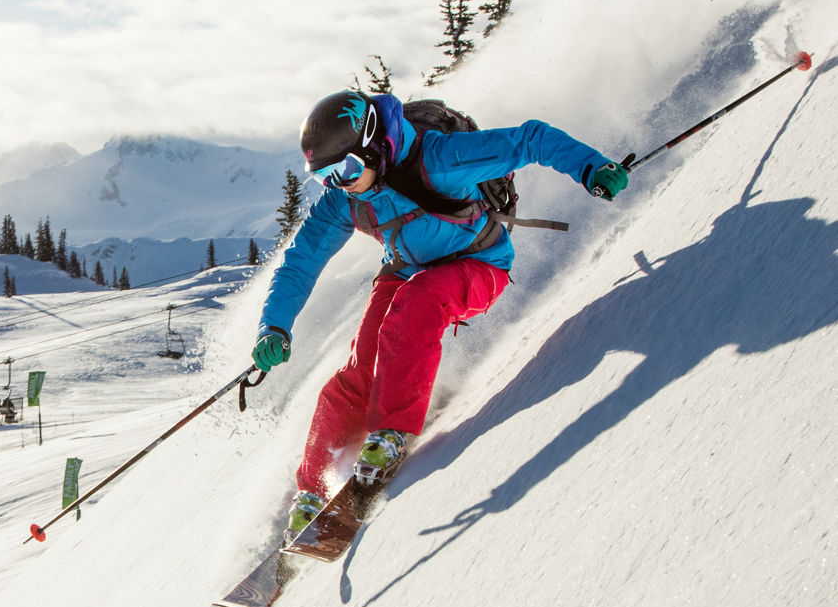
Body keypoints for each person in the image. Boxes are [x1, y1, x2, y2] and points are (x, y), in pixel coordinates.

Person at [251, 88, 629, 538]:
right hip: (406, 270)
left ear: (372, 146)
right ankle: (312, 492)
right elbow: (301, 261)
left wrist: (591, 168)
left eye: (346, 169)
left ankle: (390, 434)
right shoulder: (345, 198)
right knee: (361, 365)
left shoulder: (441, 159)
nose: (340, 183)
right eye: (325, 177)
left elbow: (530, 139)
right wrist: (274, 325)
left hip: (478, 264)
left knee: (418, 302)